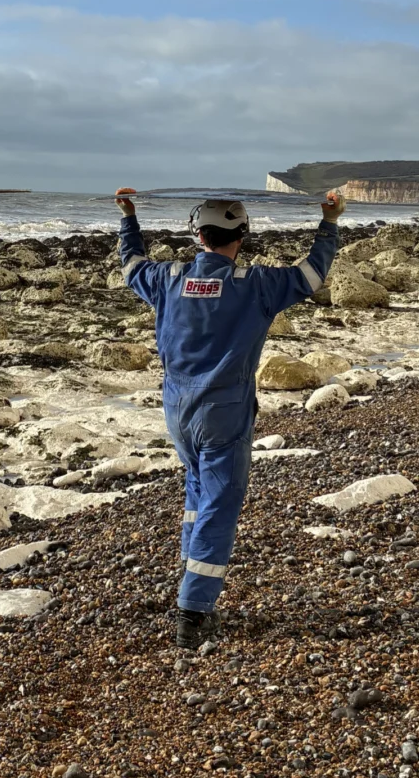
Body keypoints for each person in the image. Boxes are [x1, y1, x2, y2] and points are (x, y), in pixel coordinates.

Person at [113, 187, 346, 649]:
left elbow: (130, 265)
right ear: (242, 235)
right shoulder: (253, 284)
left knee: (198, 488)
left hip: (177, 407)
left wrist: (130, 218)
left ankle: (188, 572)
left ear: (197, 234)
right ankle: (194, 613)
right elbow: (312, 274)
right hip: (225, 409)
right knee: (220, 504)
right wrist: (330, 222)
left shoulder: (168, 278)